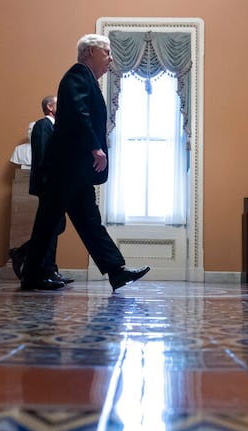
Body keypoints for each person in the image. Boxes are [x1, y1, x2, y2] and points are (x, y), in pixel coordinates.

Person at [20, 34, 150, 291]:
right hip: (65, 169)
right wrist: (95, 147)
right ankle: (31, 275)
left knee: (89, 221)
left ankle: (115, 271)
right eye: (107, 53)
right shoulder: (77, 75)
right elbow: (80, 113)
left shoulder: (86, 79)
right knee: (48, 225)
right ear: (91, 51)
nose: (111, 58)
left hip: (75, 171)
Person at [9, 95, 73, 285]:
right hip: (49, 186)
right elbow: (46, 156)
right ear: (50, 107)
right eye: (59, 104)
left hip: (54, 185)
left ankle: (26, 255)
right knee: (52, 226)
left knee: (54, 226)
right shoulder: (43, 125)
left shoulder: (54, 127)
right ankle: (46, 271)